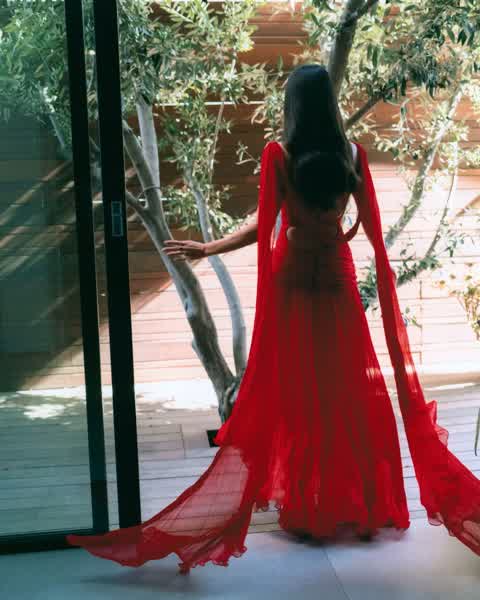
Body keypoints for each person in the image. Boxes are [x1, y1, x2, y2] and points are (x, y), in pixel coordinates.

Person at [67, 64, 480, 574]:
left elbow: (266, 226)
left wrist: (210, 247)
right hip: (337, 283)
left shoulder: (279, 155)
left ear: (293, 106)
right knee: (346, 393)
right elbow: (372, 228)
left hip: (292, 287)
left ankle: (306, 508)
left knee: (299, 396)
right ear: (330, 104)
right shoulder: (353, 155)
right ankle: (356, 504)